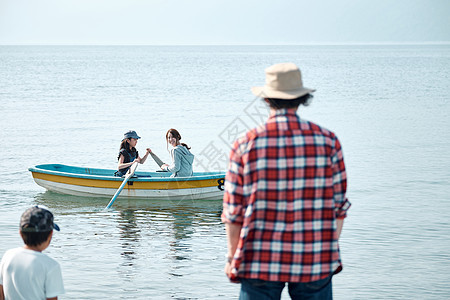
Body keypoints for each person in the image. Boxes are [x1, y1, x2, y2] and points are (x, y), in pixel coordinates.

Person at [222, 63, 351, 300]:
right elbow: (339, 207)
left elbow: (234, 212)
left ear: (267, 99)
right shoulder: (328, 140)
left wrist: (232, 258)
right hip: (314, 258)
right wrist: (327, 249)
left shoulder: (245, 144)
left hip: (259, 259)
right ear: (302, 98)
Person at [0, 206, 65, 300]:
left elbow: (1, 293)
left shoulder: (8, 256)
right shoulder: (51, 265)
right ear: (50, 234)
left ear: (20, 233)